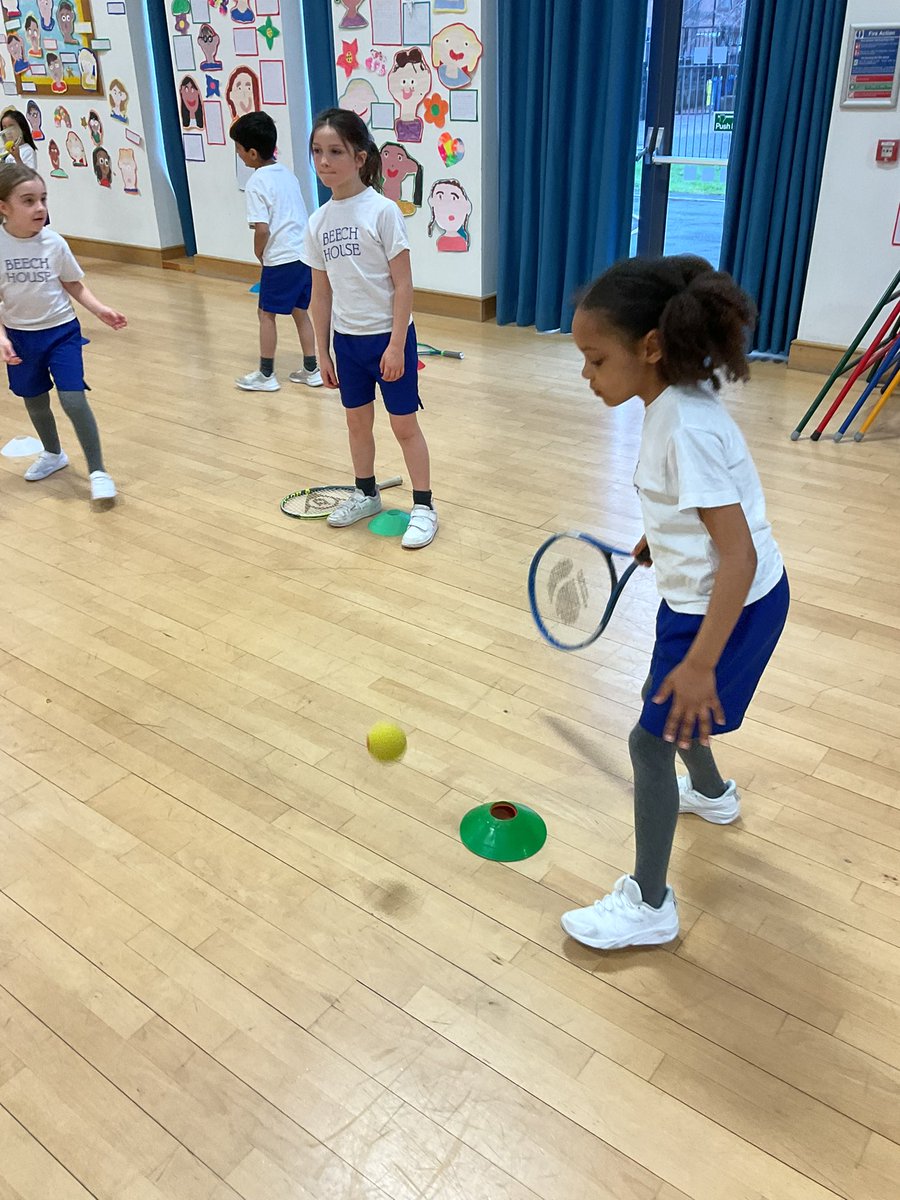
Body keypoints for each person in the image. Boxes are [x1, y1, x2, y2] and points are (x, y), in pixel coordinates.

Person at [561, 255, 789, 951]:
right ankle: (715, 797)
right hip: (719, 594)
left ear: (650, 348)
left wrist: (700, 663)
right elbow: (709, 514)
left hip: (728, 605)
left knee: (649, 740)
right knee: (673, 717)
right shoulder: (677, 406)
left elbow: (738, 553)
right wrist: (662, 537)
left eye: (597, 359)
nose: (587, 374)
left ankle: (650, 903)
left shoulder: (682, 428)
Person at [302, 108, 437, 550]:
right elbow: (320, 295)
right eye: (317, 152)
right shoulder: (317, 222)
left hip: (389, 339)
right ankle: (366, 494)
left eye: (335, 151)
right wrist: (321, 352)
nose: (324, 161)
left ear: (360, 158)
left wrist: (397, 345)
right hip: (348, 343)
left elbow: (403, 284)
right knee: (357, 426)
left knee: (403, 427)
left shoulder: (382, 212)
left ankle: (424, 505)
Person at [0, 164, 126, 501]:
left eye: (42, 199)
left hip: (61, 333)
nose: (40, 207)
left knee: (72, 399)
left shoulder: (54, 243)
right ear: (3, 207)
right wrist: (2, 338)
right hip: (21, 337)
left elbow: (72, 283)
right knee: (35, 400)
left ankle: (98, 470)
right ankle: (54, 454)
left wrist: (100, 309)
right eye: (28, 201)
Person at [228, 111, 320, 391]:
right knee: (300, 311)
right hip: (304, 255)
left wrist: (260, 254)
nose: (239, 155)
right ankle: (312, 369)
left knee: (265, 314)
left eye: (240, 150)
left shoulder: (257, 182)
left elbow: (262, 229)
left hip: (280, 259)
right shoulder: (287, 174)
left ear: (253, 153)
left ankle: (266, 375)